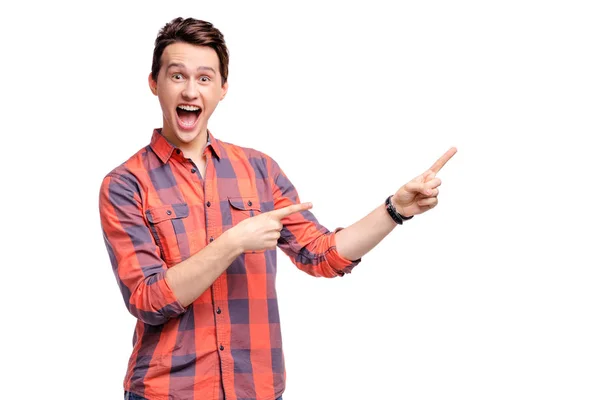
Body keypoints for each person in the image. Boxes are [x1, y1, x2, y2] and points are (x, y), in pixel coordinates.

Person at [99, 17, 456, 400]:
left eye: (204, 78)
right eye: (177, 76)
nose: (190, 91)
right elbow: (148, 301)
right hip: (166, 391)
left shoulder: (259, 170)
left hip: (256, 389)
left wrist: (394, 210)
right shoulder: (125, 184)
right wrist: (233, 242)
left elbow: (321, 256)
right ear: (154, 84)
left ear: (222, 89)